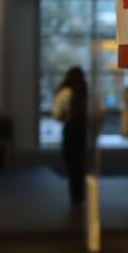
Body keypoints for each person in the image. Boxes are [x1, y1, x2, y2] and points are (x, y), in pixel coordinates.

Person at [52, 67, 88, 205]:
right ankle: (81, 196)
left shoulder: (64, 92)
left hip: (70, 130)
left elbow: (57, 114)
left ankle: (75, 197)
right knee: (80, 164)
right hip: (82, 131)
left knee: (71, 164)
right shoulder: (84, 92)